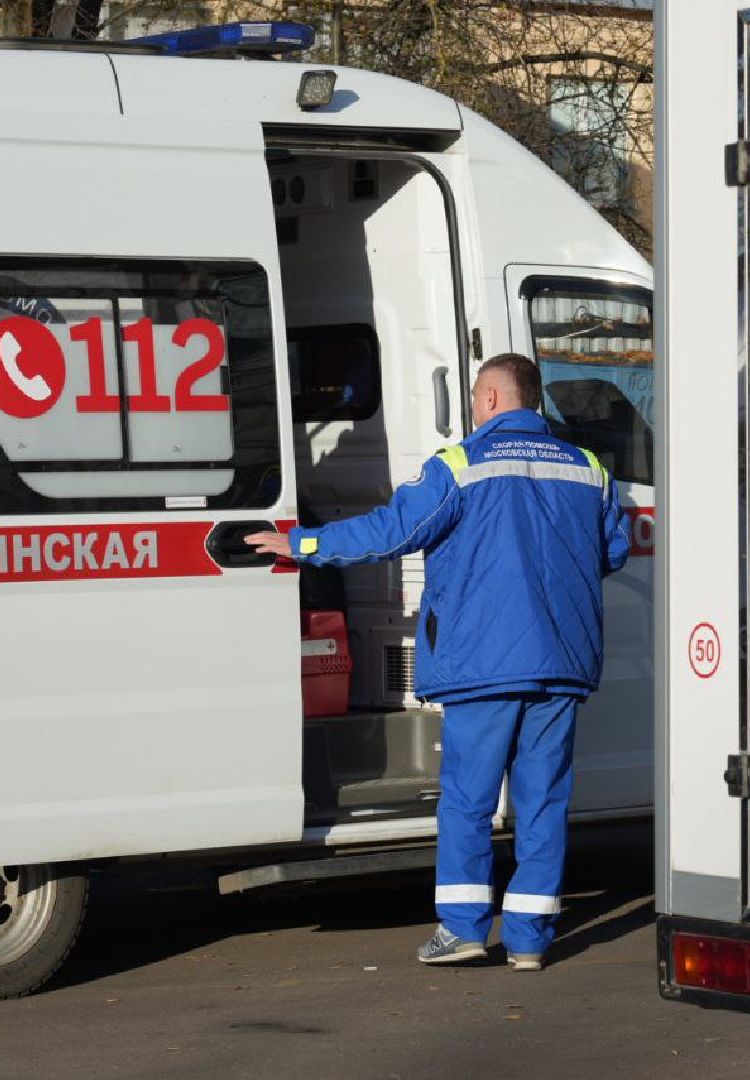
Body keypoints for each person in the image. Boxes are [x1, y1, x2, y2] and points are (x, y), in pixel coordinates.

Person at [246, 352, 630, 971]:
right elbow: (611, 550)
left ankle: (464, 930)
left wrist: (300, 542)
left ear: (493, 399)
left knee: (469, 803)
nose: (476, 408)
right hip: (561, 662)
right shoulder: (589, 469)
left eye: (480, 396)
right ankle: (531, 942)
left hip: (483, 663)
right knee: (544, 802)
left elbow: (389, 533)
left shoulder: (459, 466)